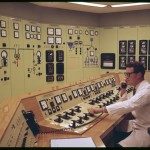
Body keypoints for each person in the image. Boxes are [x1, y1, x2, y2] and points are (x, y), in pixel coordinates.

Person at [88, 61, 150, 147]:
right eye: (125, 74)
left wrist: (100, 110)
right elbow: (128, 103)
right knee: (115, 129)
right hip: (138, 124)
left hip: (145, 130)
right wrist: (123, 89)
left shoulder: (146, 91)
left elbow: (129, 105)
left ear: (139, 75)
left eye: (128, 74)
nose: (126, 77)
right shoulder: (138, 87)